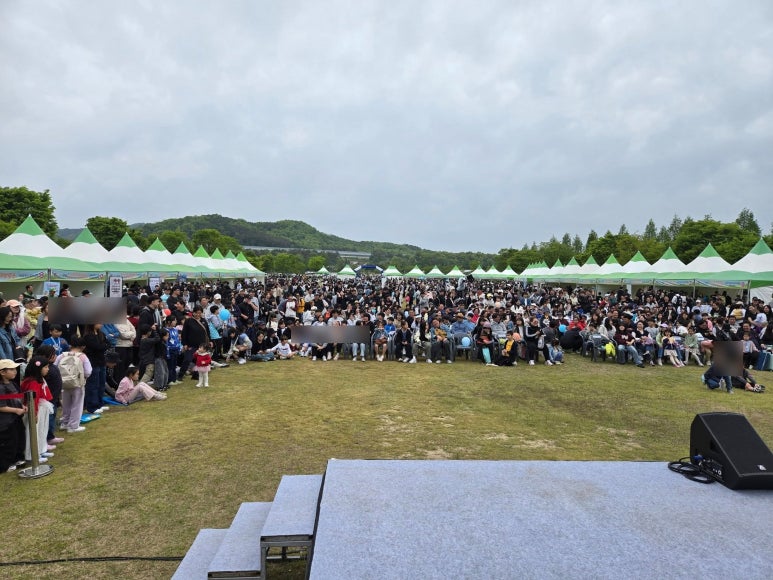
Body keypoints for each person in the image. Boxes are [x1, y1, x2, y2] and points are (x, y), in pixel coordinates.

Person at [20, 356, 54, 463]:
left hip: (42, 407)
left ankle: (41, 450)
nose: (48, 369)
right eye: (46, 367)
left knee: (42, 430)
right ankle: (31, 455)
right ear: (38, 368)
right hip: (36, 409)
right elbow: (32, 399)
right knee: (33, 432)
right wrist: (34, 413)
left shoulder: (39, 379)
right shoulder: (32, 382)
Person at [55, 337, 90, 433]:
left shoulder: (61, 356)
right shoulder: (83, 357)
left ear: (70, 345)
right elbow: (88, 371)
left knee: (66, 404)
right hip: (78, 384)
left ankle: (64, 423)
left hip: (63, 383)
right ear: (83, 347)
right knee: (77, 404)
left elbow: (55, 367)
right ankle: (73, 426)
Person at [0, 359, 27, 472]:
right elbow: (1, 406)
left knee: (19, 439)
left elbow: (17, 398)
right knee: (8, 443)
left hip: (16, 419)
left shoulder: (13, 384)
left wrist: (22, 406)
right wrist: (16, 410)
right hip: (6, 422)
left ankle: (18, 459)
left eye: (15, 368)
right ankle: (6, 464)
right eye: (11, 369)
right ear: (2, 372)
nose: (15, 371)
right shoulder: (1, 388)